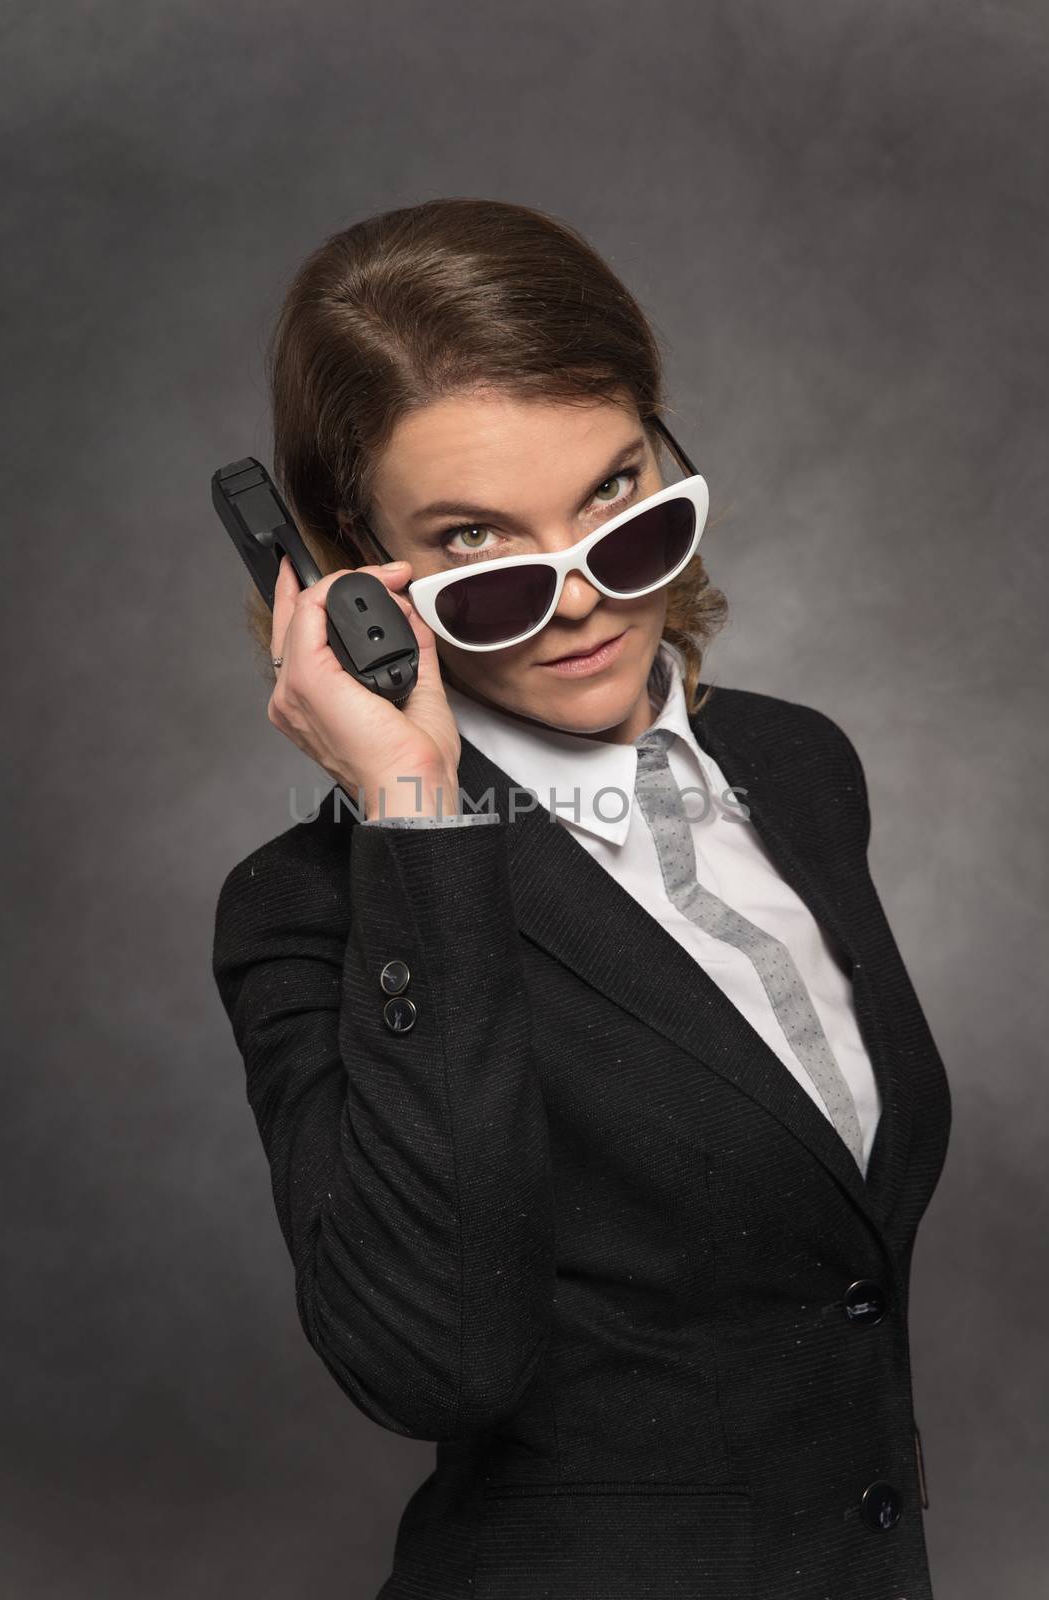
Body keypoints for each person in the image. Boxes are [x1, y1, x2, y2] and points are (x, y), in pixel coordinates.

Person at [211, 197, 951, 1599]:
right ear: (341, 568)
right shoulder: (309, 913)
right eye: (480, 544)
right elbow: (438, 1357)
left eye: (616, 499)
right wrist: (418, 821)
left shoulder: (798, 767)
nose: (579, 600)